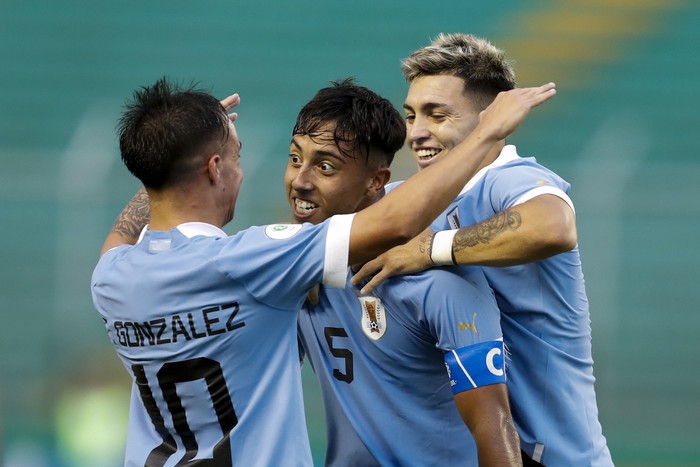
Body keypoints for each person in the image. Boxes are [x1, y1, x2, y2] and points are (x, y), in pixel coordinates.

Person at [90, 76, 555, 466]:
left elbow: (121, 235)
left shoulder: (111, 277)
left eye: (324, 165)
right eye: (237, 156)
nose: (299, 179)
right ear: (213, 169)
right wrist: (486, 133)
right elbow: (394, 222)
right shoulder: (258, 264)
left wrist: (173, 150)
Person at [352, 33, 613, 466]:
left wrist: (432, 248)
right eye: (412, 115)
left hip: (553, 455)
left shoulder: (507, 179)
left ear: (492, 118)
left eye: (437, 115)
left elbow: (554, 226)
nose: (416, 133)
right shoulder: (408, 200)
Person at [288, 79, 520, 466]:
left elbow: (492, 424)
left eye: (325, 166)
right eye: (296, 159)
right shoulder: (289, 269)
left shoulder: (441, 284)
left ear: (375, 182)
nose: (300, 181)